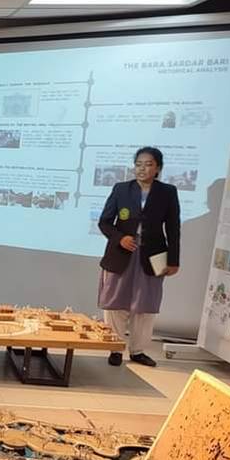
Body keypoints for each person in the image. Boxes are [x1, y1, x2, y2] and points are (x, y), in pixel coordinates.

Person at [97, 146, 180, 367]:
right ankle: (115, 347)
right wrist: (120, 238)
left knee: (146, 304)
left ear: (158, 168)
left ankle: (137, 351)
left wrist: (173, 260)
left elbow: (173, 228)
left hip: (154, 255)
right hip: (121, 253)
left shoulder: (168, 192)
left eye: (148, 164)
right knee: (115, 304)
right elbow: (105, 222)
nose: (142, 169)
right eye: (138, 164)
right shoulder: (121, 189)